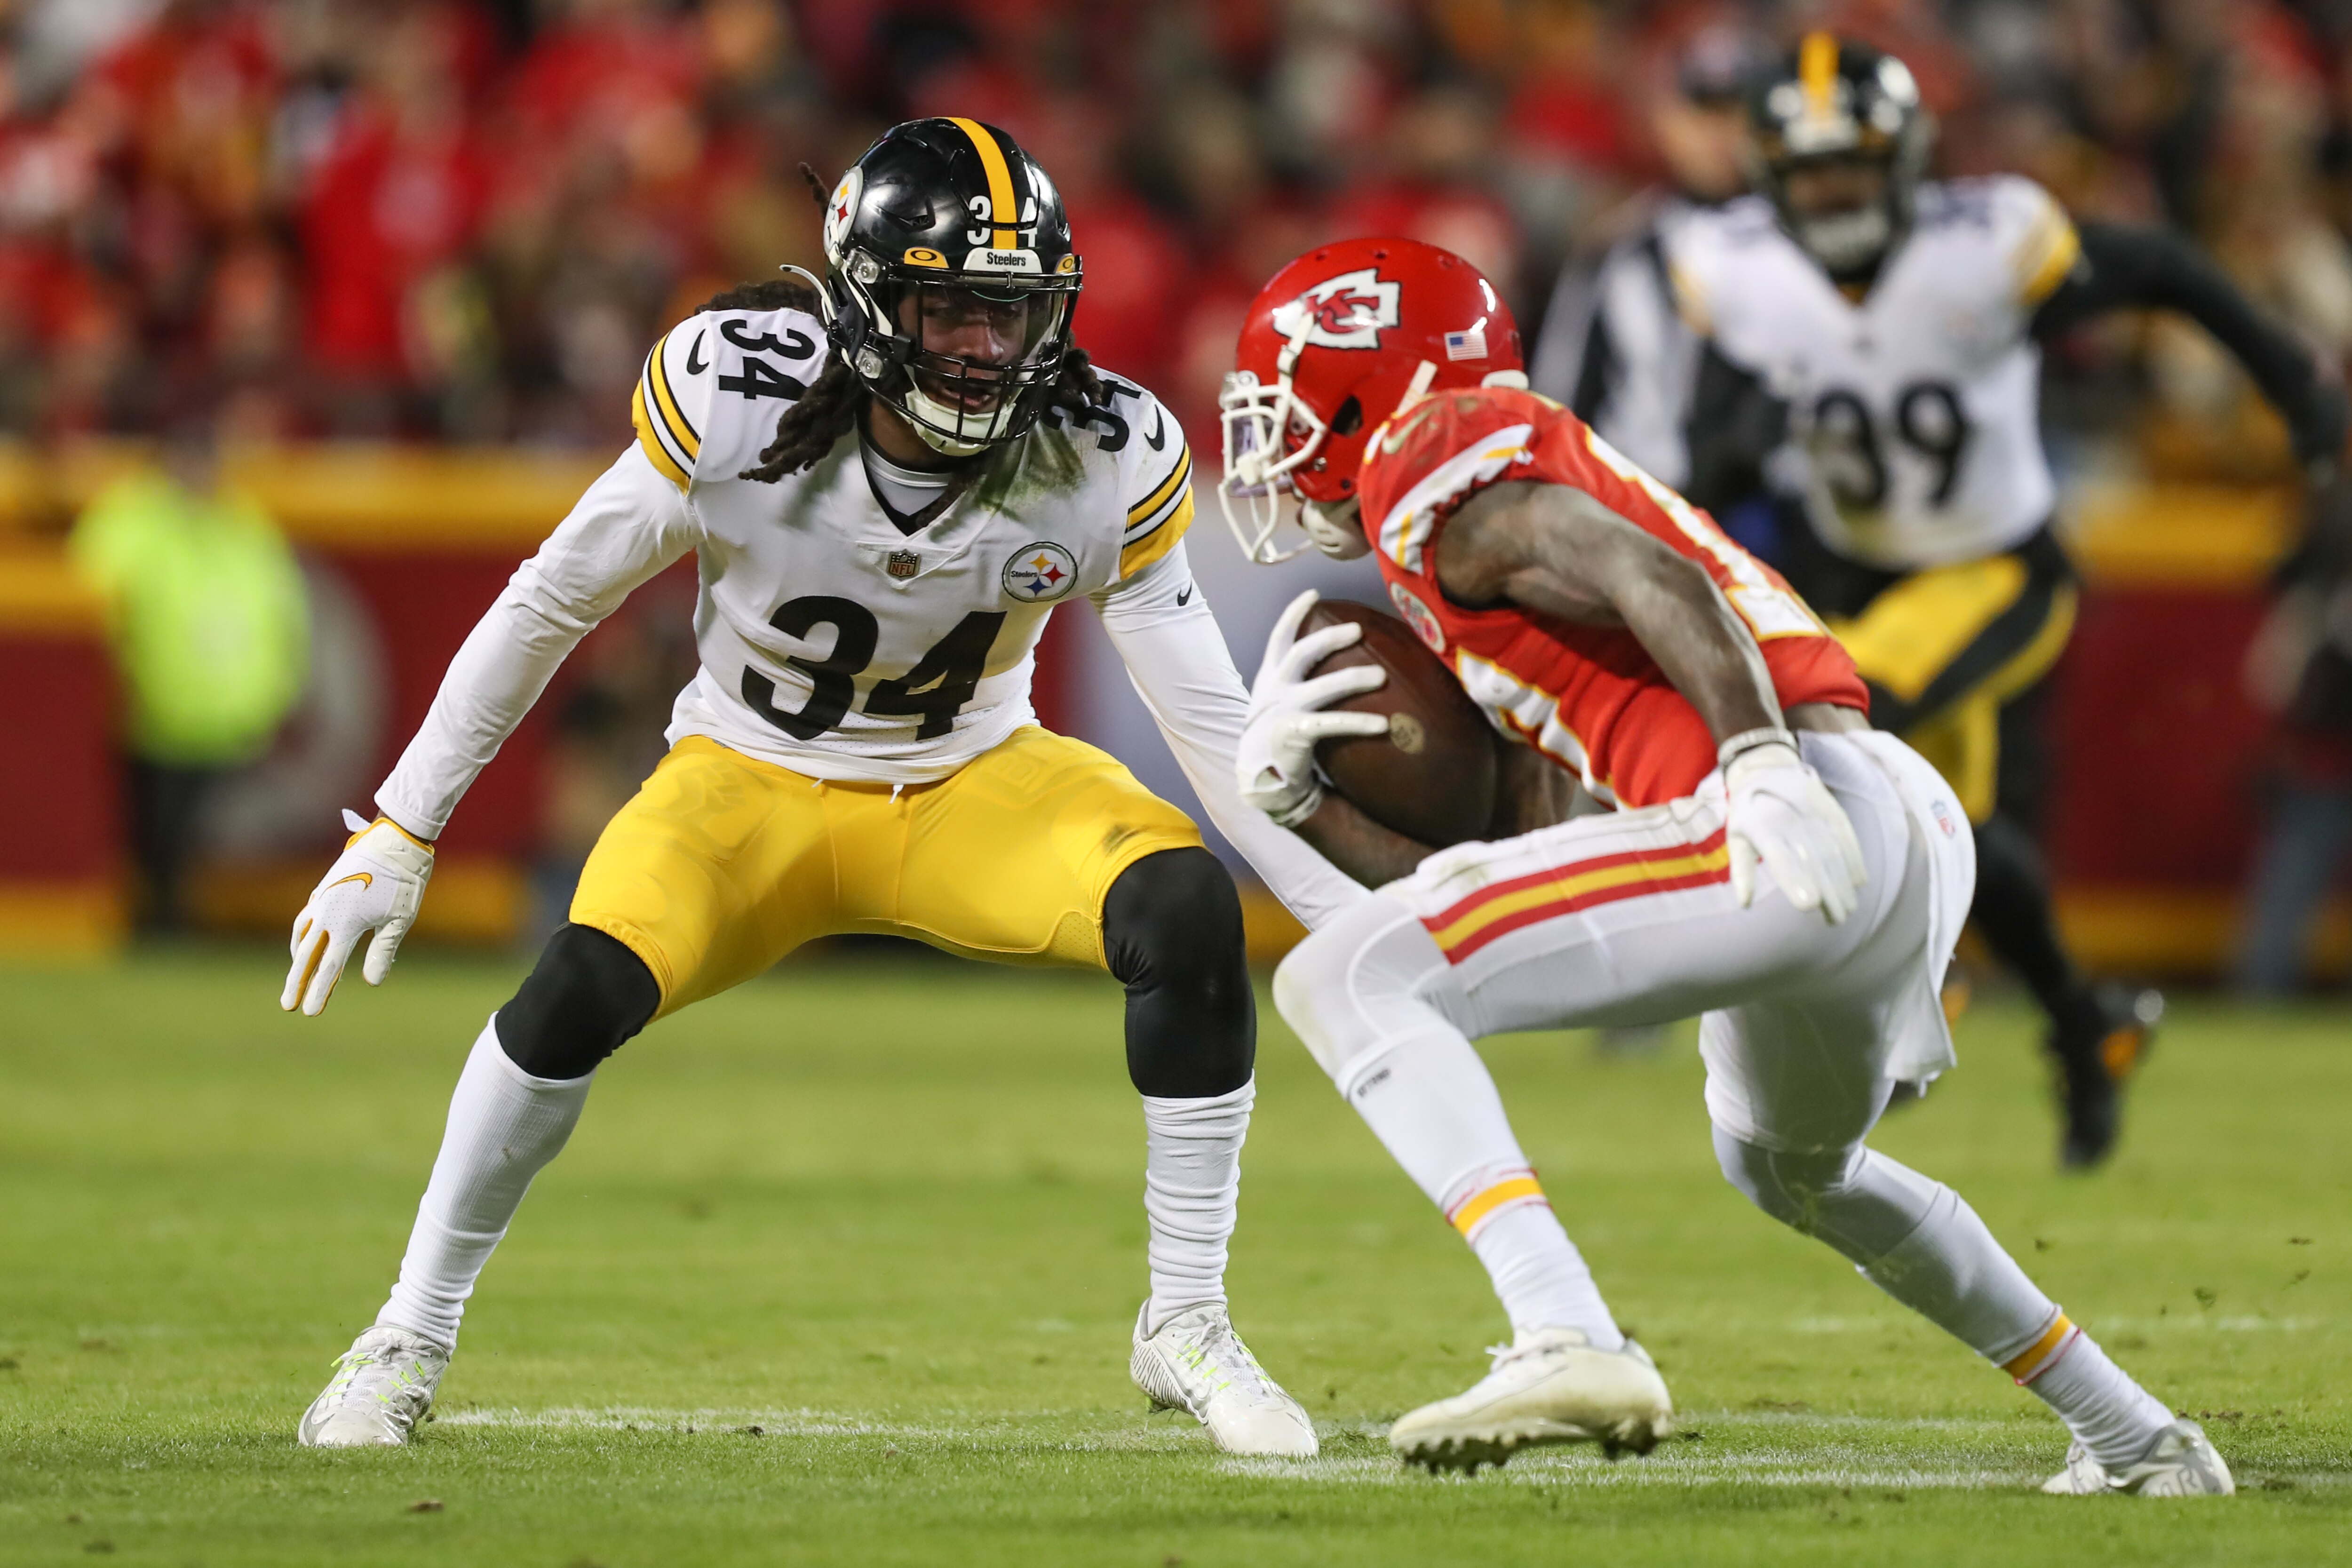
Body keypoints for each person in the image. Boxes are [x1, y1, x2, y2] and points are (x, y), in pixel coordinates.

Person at [281, 119, 1362, 1457]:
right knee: (571, 993)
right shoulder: (739, 397)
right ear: (865, 293)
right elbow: (551, 598)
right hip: (747, 782)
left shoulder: (1098, 445)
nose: (984, 346)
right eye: (951, 306)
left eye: (1013, 313)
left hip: (975, 778)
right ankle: (407, 1330)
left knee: (1188, 908)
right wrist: (405, 820)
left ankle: (1187, 1318)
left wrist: (1334, 910)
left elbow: (1206, 718)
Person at [1214, 235, 2232, 1496]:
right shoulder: (1479, 538)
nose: (1268, 442)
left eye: (1281, 403)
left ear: (1364, 380)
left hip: (1786, 807)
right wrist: (1306, 806)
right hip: (1889, 818)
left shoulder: (1442, 450)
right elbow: (1520, 853)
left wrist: (1755, 760)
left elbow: (1649, 567)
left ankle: (1566, 1330)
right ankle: (2139, 1437)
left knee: (1340, 980)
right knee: (1795, 1165)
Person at [1667, 35, 2350, 1166]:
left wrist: (2293, 386)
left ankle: (1898, 1002)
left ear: (1904, 163)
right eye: (1813, 172)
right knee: (1954, 826)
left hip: (1996, 569)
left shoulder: (1982, 247)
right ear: (1773, 176)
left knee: (1845, 727)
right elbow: (1712, 438)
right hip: (1861, 573)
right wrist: (1732, 449)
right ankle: (2086, 1027)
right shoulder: (1737, 269)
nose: (1834, 193)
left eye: (1853, 167)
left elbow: (2164, 273)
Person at [70, 418, 309, 932]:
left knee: (180, 830)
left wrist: (268, 690)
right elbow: (87, 609)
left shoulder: (239, 524)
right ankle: (154, 916)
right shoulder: (130, 521)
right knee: (152, 826)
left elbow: (277, 611)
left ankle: (167, 915)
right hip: (149, 707)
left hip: (214, 711)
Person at [1526, 23, 1758, 493]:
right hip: (1642, 516)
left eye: (1737, 111)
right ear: (1664, 121)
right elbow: (1557, 406)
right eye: (1703, 112)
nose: (1720, 134)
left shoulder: (1812, 244)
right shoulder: (1619, 252)